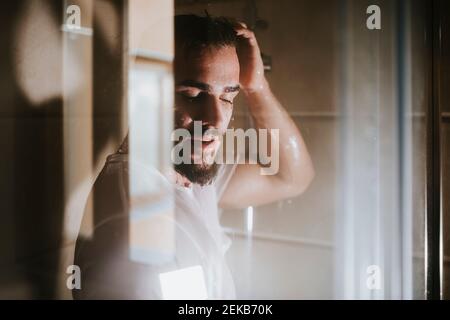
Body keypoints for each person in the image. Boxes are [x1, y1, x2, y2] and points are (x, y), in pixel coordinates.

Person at [73, 14, 314, 300]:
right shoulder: (138, 244)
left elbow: (290, 178)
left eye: (228, 97)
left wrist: (256, 86)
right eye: (193, 94)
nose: (216, 119)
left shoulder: (187, 175)